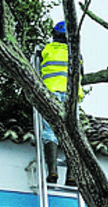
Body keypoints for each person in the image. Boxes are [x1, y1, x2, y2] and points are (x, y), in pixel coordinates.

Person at [40, 20, 84, 186]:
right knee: (73, 133)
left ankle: (52, 170)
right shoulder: (76, 54)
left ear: (54, 36)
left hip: (51, 93)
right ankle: (72, 175)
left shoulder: (46, 50)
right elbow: (82, 75)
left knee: (50, 131)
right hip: (71, 97)